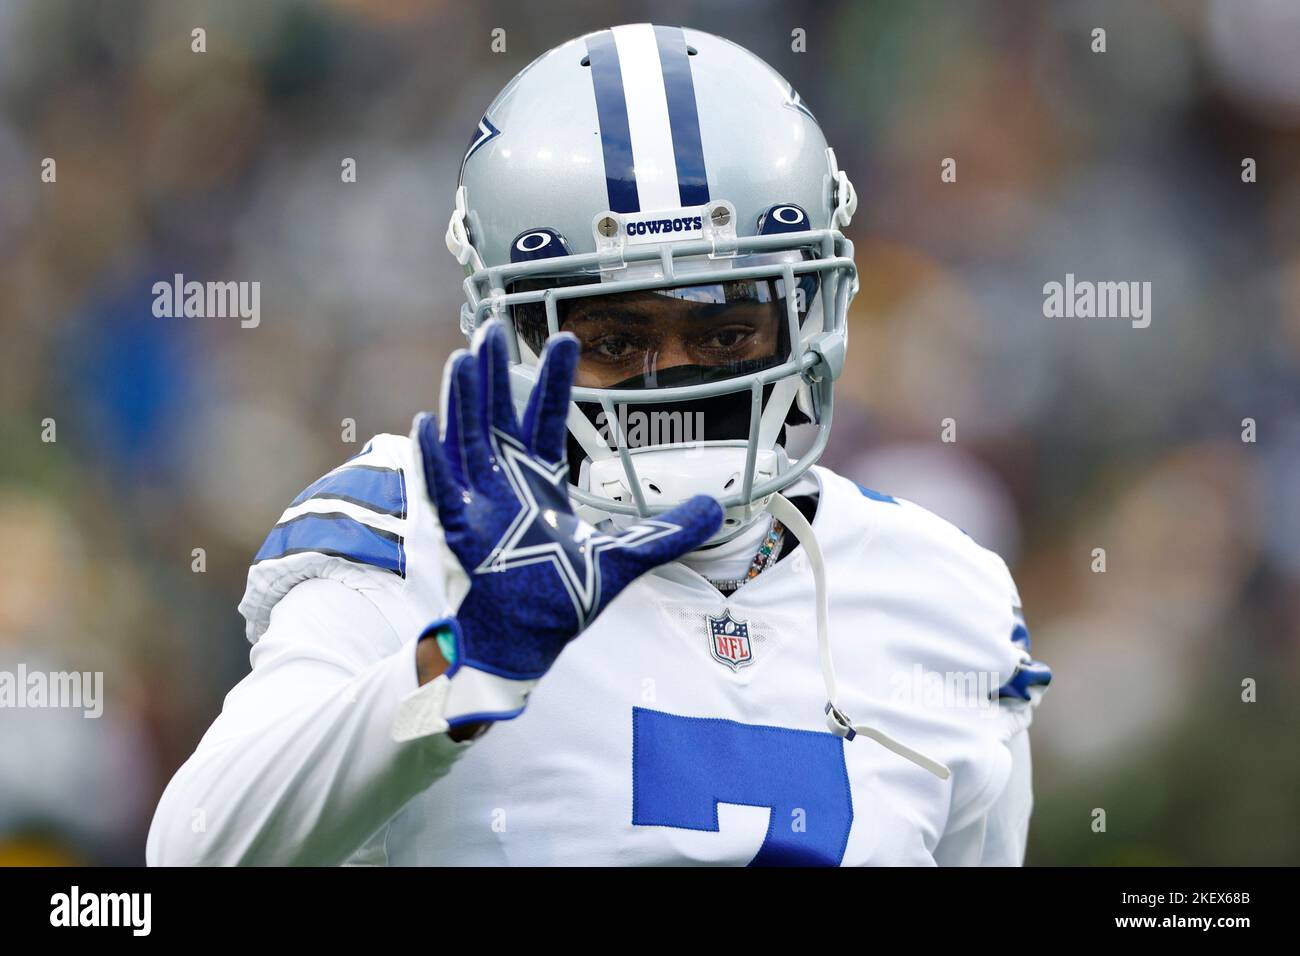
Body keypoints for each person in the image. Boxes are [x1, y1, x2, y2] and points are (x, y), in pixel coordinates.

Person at [147, 23, 1050, 866]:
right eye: (616, 342)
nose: (677, 377)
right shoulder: (413, 527)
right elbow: (195, 848)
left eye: (726, 333)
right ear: (514, 339)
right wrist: (464, 663)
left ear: (808, 314)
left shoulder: (942, 593)